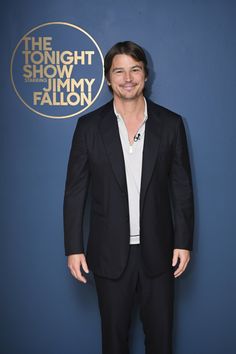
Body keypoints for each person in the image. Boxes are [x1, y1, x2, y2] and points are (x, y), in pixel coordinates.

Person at [63, 41, 194, 354]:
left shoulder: (171, 124)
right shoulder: (88, 127)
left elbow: (181, 188)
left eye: (135, 69)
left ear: (145, 75)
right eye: (119, 71)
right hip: (108, 254)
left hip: (160, 255)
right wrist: (73, 248)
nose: (128, 77)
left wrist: (184, 242)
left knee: (161, 343)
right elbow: (75, 190)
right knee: (114, 344)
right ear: (108, 78)